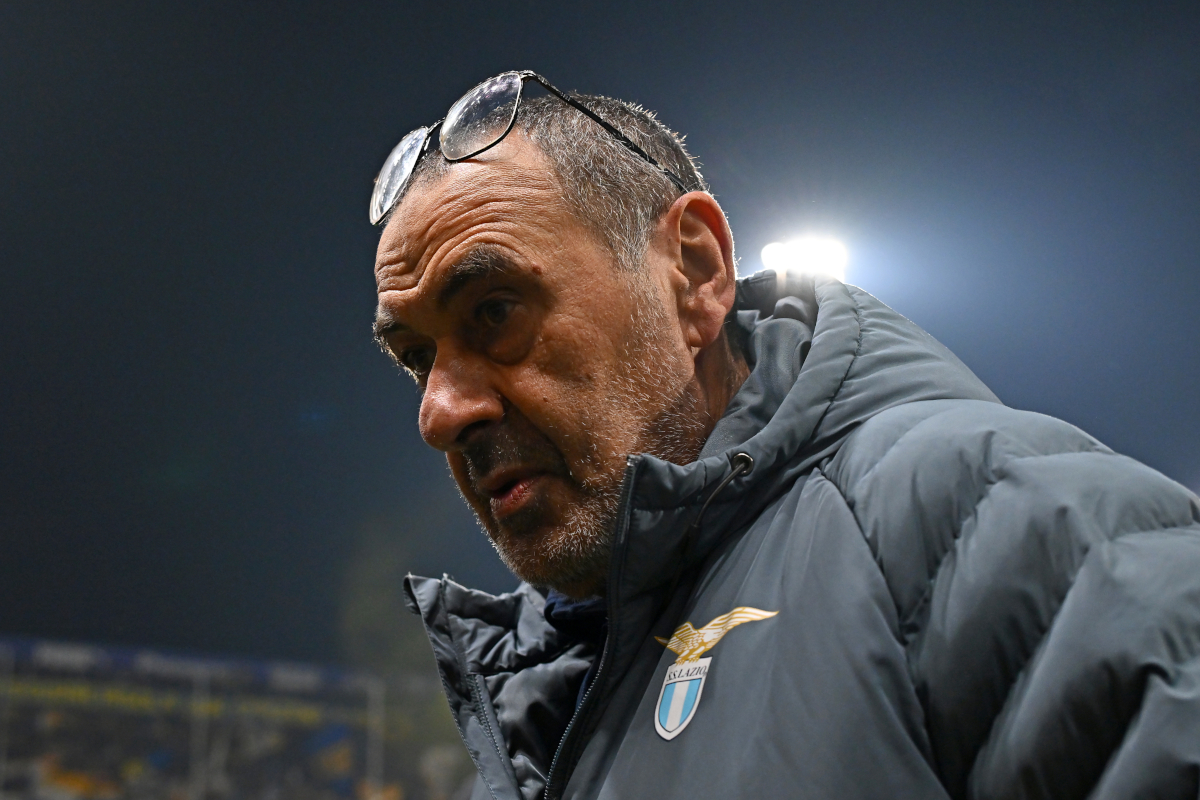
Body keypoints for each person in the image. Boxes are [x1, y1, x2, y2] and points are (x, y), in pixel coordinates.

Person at [369, 71, 1200, 800]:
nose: (439, 414)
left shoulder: (999, 517)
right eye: (417, 359)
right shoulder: (534, 700)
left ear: (695, 274)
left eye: (495, 312)